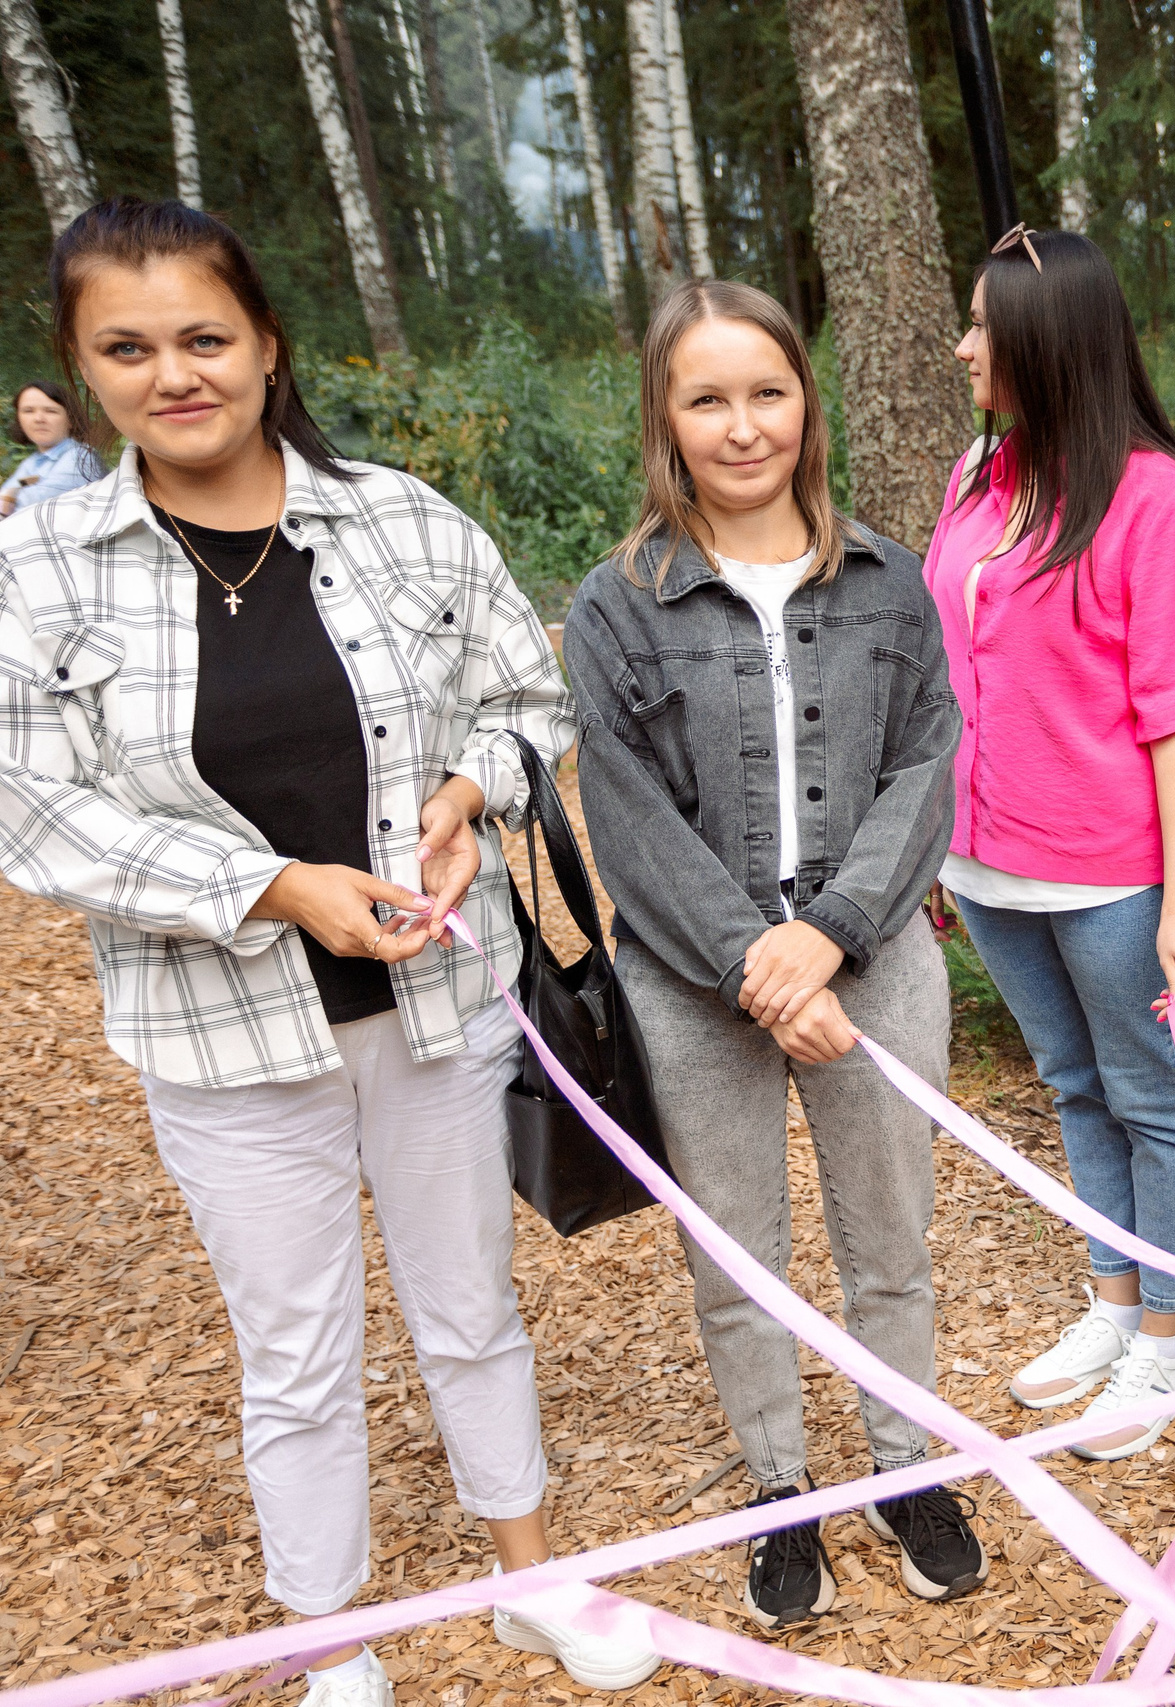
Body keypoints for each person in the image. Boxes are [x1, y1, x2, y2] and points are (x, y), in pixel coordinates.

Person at [0, 199, 659, 1704]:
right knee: (293, 1352)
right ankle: (331, 1642)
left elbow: (526, 699)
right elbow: (35, 812)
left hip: (438, 1002)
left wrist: (466, 795)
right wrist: (275, 886)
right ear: (80, 367)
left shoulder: (404, 520)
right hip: (223, 1039)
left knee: (472, 1306)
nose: (175, 374)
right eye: (128, 348)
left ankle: (531, 1581)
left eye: (205, 337)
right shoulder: (39, 570)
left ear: (267, 343)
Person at [564, 280, 984, 1623]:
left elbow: (925, 766)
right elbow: (627, 814)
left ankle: (906, 1466)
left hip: (871, 957)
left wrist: (831, 934)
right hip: (695, 978)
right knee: (737, 1254)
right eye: (707, 399)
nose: (742, 426)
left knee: (891, 1237)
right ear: (665, 418)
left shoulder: (890, 582)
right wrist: (759, 960)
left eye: (767, 392)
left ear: (807, 402)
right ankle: (779, 1485)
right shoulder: (616, 604)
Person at [922, 229, 1175, 1463]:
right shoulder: (980, 472)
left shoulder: (1159, 501)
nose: (964, 348)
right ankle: (1113, 1304)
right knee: (1071, 1083)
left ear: (1046, 342)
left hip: (1114, 872)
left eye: (983, 326)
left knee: (1151, 1097)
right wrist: (937, 847)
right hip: (986, 858)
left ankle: (1167, 1341)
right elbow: (953, 667)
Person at [1, 379, 104, 517]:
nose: (38, 418)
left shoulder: (82, 458)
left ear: (71, 420)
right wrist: (10, 495)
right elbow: (6, 495)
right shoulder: (32, 462)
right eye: (28, 411)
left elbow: (32, 508)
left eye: (51, 411)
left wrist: (10, 496)